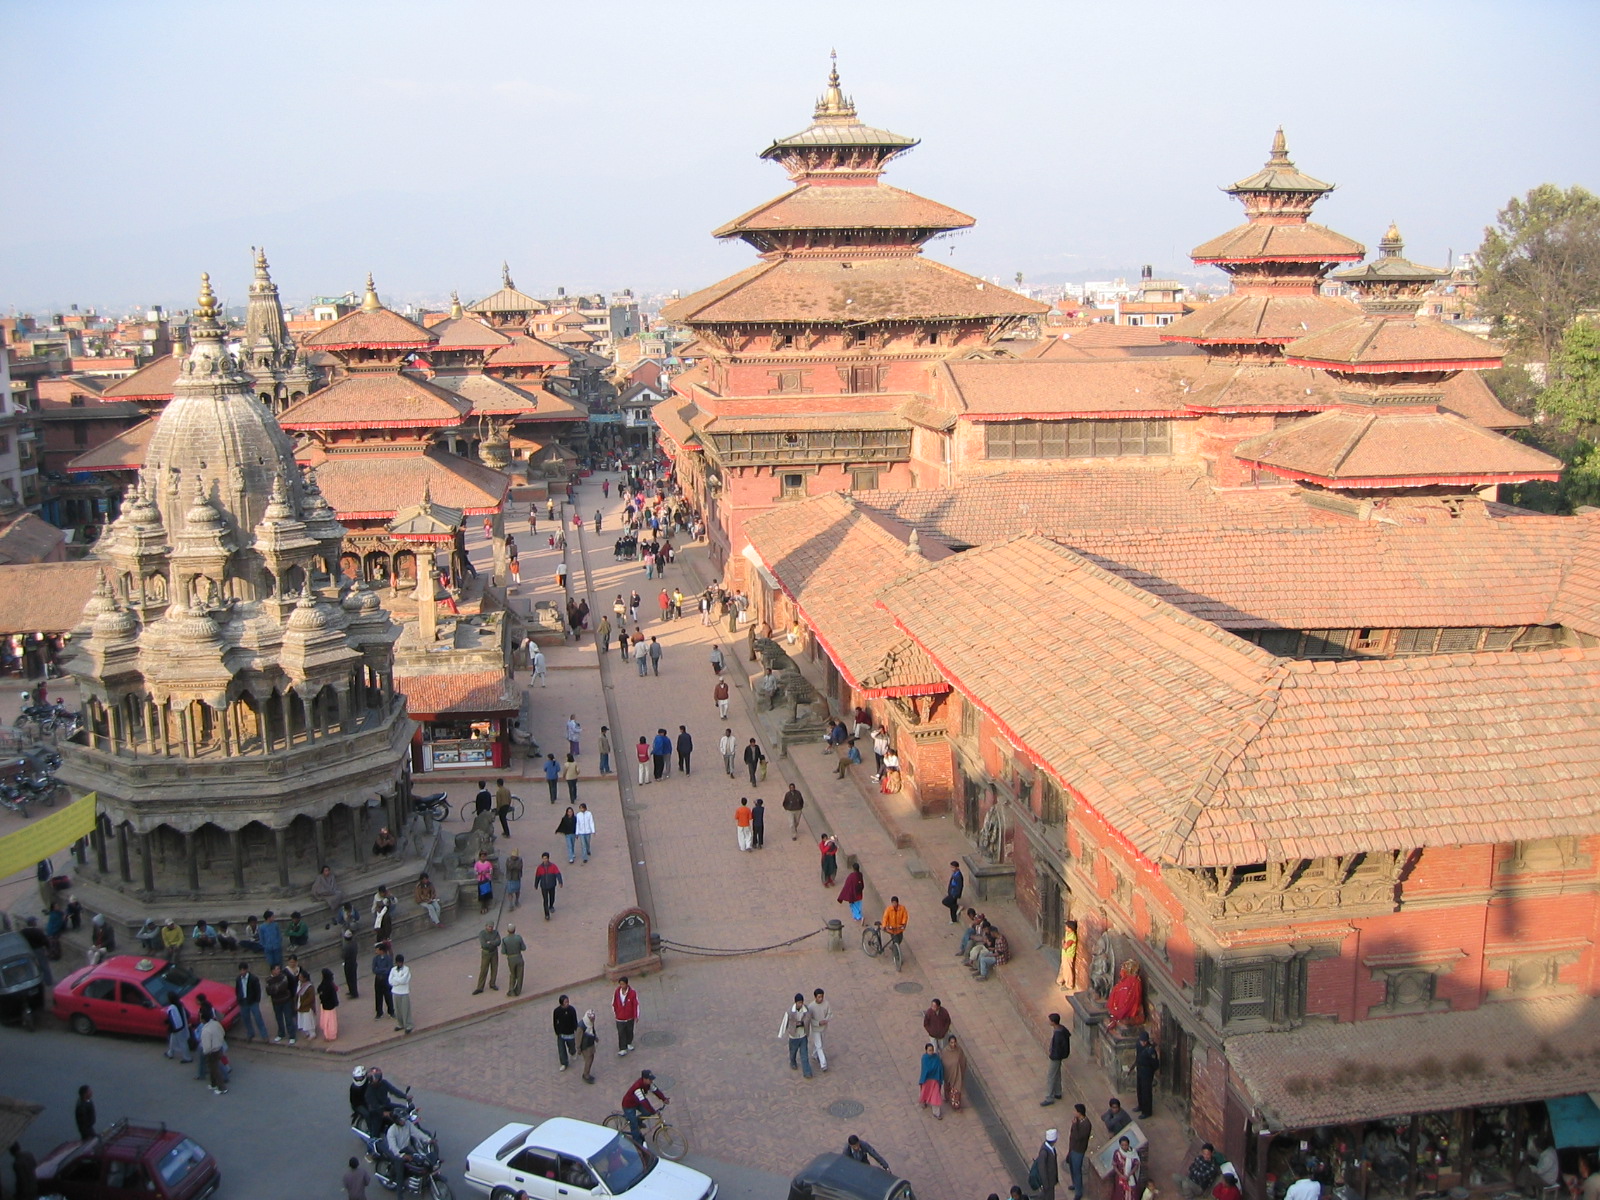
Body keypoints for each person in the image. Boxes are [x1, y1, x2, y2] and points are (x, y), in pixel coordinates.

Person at [621, 1070, 667, 1143]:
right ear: (644, 1079)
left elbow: (656, 1091)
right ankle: (638, 1144)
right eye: (650, 1079)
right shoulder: (637, 1088)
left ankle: (637, 1121)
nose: (651, 1081)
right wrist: (653, 1111)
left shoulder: (648, 1084)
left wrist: (664, 1099)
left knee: (648, 1112)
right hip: (628, 1105)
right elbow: (644, 1101)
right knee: (634, 1126)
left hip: (636, 1102)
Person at [780, 993, 813, 1078]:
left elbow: (809, 1020)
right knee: (793, 1052)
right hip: (793, 1037)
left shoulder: (806, 1010)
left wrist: (803, 1024)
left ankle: (807, 1072)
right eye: (799, 1003)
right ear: (795, 1002)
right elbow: (785, 1022)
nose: (800, 1004)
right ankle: (793, 1062)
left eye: (801, 1002)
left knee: (804, 1055)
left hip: (803, 1035)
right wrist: (781, 1033)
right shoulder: (790, 1011)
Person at [1042, 1011, 1071, 1106]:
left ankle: (1049, 1097)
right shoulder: (1061, 1029)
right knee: (1057, 1073)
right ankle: (1058, 1092)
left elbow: (1057, 1048)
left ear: (1053, 1022)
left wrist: (1052, 1055)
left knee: (1051, 1076)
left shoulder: (1058, 1034)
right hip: (1059, 1056)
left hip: (1056, 1057)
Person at [235, 961, 268, 1041]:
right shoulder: (238, 979)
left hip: (253, 1001)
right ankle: (250, 1033)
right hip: (243, 1001)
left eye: (243, 970)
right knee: (246, 1018)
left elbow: (257, 990)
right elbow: (237, 989)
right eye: (241, 970)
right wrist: (239, 999)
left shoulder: (253, 978)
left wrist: (257, 1000)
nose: (242, 972)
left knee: (258, 1018)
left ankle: (264, 1035)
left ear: (246, 970)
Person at [199, 1009, 228, 1094]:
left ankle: (222, 1088)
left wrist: (205, 1052)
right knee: (213, 1069)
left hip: (212, 1052)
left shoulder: (206, 1031)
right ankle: (213, 1084)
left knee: (215, 1070)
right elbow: (222, 1032)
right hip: (219, 1047)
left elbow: (207, 1047)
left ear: (203, 1019)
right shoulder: (216, 1024)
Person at [1067, 1104, 1092, 1200]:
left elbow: (1078, 1137)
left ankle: (1079, 1191)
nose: (1073, 1112)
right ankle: (1075, 1184)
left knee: (1077, 1170)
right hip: (1073, 1148)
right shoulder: (1077, 1121)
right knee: (1072, 1168)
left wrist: (1075, 1124)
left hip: (1079, 1150)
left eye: (1075, 1111)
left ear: (1079, 1113)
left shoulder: (1086, 1124)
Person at [1134, 1031, 1159, 1118]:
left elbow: (1155, 1064)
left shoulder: (1150, 1050)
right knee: (1139, 1089)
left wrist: (1150, 1071)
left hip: (1147, 1072)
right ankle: (1140, 1106)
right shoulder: (1138, 1045)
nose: (1143, 1043)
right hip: (1140, 1070)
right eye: (1142, 1041)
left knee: (1146, 1092)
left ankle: (1147, 1111)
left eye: (1145, 1041)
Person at [918, 1041, 945, 1119]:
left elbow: (939, 1067)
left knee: (935, 1095)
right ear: (926, 1051)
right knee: (925, 1092)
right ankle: (924, 1101)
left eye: (932, 1050)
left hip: (935, 1080)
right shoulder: (924, 1058)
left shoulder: (936, 1057)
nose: (931, 1052)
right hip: (927, 1081)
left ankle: (937, 1113)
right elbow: (926, 1069)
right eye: (929, 1050)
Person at [613, 977, 640, 1056]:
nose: (622, 986)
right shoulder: (617, 992)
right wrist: (616, 1013)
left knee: (629, 1031)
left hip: (629, 1017)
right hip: (620, 1018)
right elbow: (614, 1003)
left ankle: (629, 1043)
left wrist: (636, 1015)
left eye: (623, 984)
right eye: (620, 984)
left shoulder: (632, 993)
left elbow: (635, 1004)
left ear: (626, 984)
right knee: (621, 1033)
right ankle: (622, 1048)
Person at [473, 922, 501, 994]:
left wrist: (490, 942)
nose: (490, 928)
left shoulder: (495, 933)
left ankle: (492, 984)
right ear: (486, 926)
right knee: (483, 969)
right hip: (486, 953)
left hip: (494, 953)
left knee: (494, 968)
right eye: (489, 927)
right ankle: (480, 987)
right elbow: (484, 944)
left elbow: (499, 942)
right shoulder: (482, 934)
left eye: (491, 927)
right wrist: (493, 943)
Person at [1110, 1136, 1141, 1200]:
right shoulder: (1117, 1153)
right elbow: (1114, 1165)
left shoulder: (1132, 1153)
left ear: (1128, 1144)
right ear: (1120, 1145)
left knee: (1131, 1192)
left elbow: (1136, 1165)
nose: (1124, 1147)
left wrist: (1129, 1175)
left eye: (1126, 1145)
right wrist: (1121, 1175)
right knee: (1120, 1193)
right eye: (1122, 1145)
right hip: (1120, 1177)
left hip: (1130, 1177)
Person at [553, 994, 579, 1070]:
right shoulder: (557, 1011)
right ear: (561, 1003)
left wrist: (576, 1029)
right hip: (561, 1034)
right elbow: (555, 1022)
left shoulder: (572, 1010)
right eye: (565, 1002)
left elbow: (575, 1021)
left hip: (570, 1033)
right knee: (561, 1049)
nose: (567, 1003)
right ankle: (564, 1063)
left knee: (571, 1046)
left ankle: (573, 1052)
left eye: (568, 1001)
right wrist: (557, 1032)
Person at [882, 896, 909, 969]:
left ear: (897, 903)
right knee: (896, 941)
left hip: (899, 929)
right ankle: (897, 957)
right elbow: (885, 917)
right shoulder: (889, 910)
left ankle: (893, 946)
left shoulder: (902, 908)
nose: (894, 904)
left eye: (895, 903)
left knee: (900, 939)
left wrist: (903, 924)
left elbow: (905, 916)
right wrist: (884, 926)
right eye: (893, 903)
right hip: (892, 930)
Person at [534, 853, 563, 919]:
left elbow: (558, 874)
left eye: (546, 858)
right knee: (545, 900)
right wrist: (536, 884)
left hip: (552, 885)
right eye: (543, 858)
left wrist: (560, 882)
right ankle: (547, 914)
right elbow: (537, 876)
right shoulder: (539, 868)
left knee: (552, 897)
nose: (545, 860)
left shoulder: (553, 866)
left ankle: (551, 905)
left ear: (548, 859)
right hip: (544, 886)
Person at [390, 954, 413, 1034]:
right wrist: (398, 980)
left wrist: (396, 980)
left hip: (404, 992)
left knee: (405, 1009)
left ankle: (408, 1024)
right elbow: (390, 981)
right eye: (398, 962)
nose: (400, 964)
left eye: (401, 962)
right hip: (395, 992)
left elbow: (404, 981)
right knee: (398, 1009)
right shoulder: (393, 970)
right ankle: (400, 1024)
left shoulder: (406, 969)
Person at [372, 941, 395, 1021]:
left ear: (382, 950)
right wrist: (382, 970)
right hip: (378, 979)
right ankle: (379, 1012)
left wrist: (380, 970)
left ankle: (391, 1011)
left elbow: (389, 969)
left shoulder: (388, 958)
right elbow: (374, 969)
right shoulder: (375, 959)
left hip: (386, 979)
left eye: (377, 950)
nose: (376, 951)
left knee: (388, 995)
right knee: (378, 996)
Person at [1035, 1130, 1061, 1200]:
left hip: (1051, 1180)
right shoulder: (1044, 1152)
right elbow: (1042, 1169)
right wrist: (1045, 1184)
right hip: (1048, 1182)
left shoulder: (1051, 1148)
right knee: (1047, 1196)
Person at [502, 924, 527, 997]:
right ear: (514, 930)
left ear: (508, 931)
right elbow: (523, 948)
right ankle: (518, 990)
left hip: (510, 958)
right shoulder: (518, 938)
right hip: (518, 957)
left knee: (512, 974)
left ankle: (511, 989)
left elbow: (503, 951)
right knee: (520, 975)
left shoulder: (505, 940)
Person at [296, 966, 319, 1041]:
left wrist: (303, 1004)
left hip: (307, 1007)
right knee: (303, 1020)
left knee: (308, 1020)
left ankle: (312, 1033)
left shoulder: (309, 986)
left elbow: (311, 998)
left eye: (301, 977)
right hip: (301, 1005)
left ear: (305, 978)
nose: (299, 978)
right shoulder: (300, 984)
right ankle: (307, 1033)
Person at [318, 967, 341, 1042]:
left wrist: (321, 994)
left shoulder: (327, 985)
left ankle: (330, 1035)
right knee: (330, 1020)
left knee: (329, 1021)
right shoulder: (329, 983)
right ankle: (329, 1034)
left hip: (328, 1005)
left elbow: (322, 992)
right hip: (328, 1005)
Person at [577, 1008, 599, 1084]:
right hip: (585, 1046)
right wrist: (578, 1048)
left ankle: (587, 1073)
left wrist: (595, 1037)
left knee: (591, 1057)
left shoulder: (590, 1022)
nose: (593, 1021)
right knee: (588, 1060)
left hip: (590, 1043)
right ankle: (586, 1075)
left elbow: (592, 1030)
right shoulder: (581, 1026)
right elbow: (578, 1038)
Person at [342, 928, 361, 999]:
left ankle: (353, 993)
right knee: (353, 978)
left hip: (348, 963)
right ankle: (353, 991)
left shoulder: (346, 946)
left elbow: (344, 955)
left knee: (349, 978)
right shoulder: (354, 943)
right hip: (353, 962)